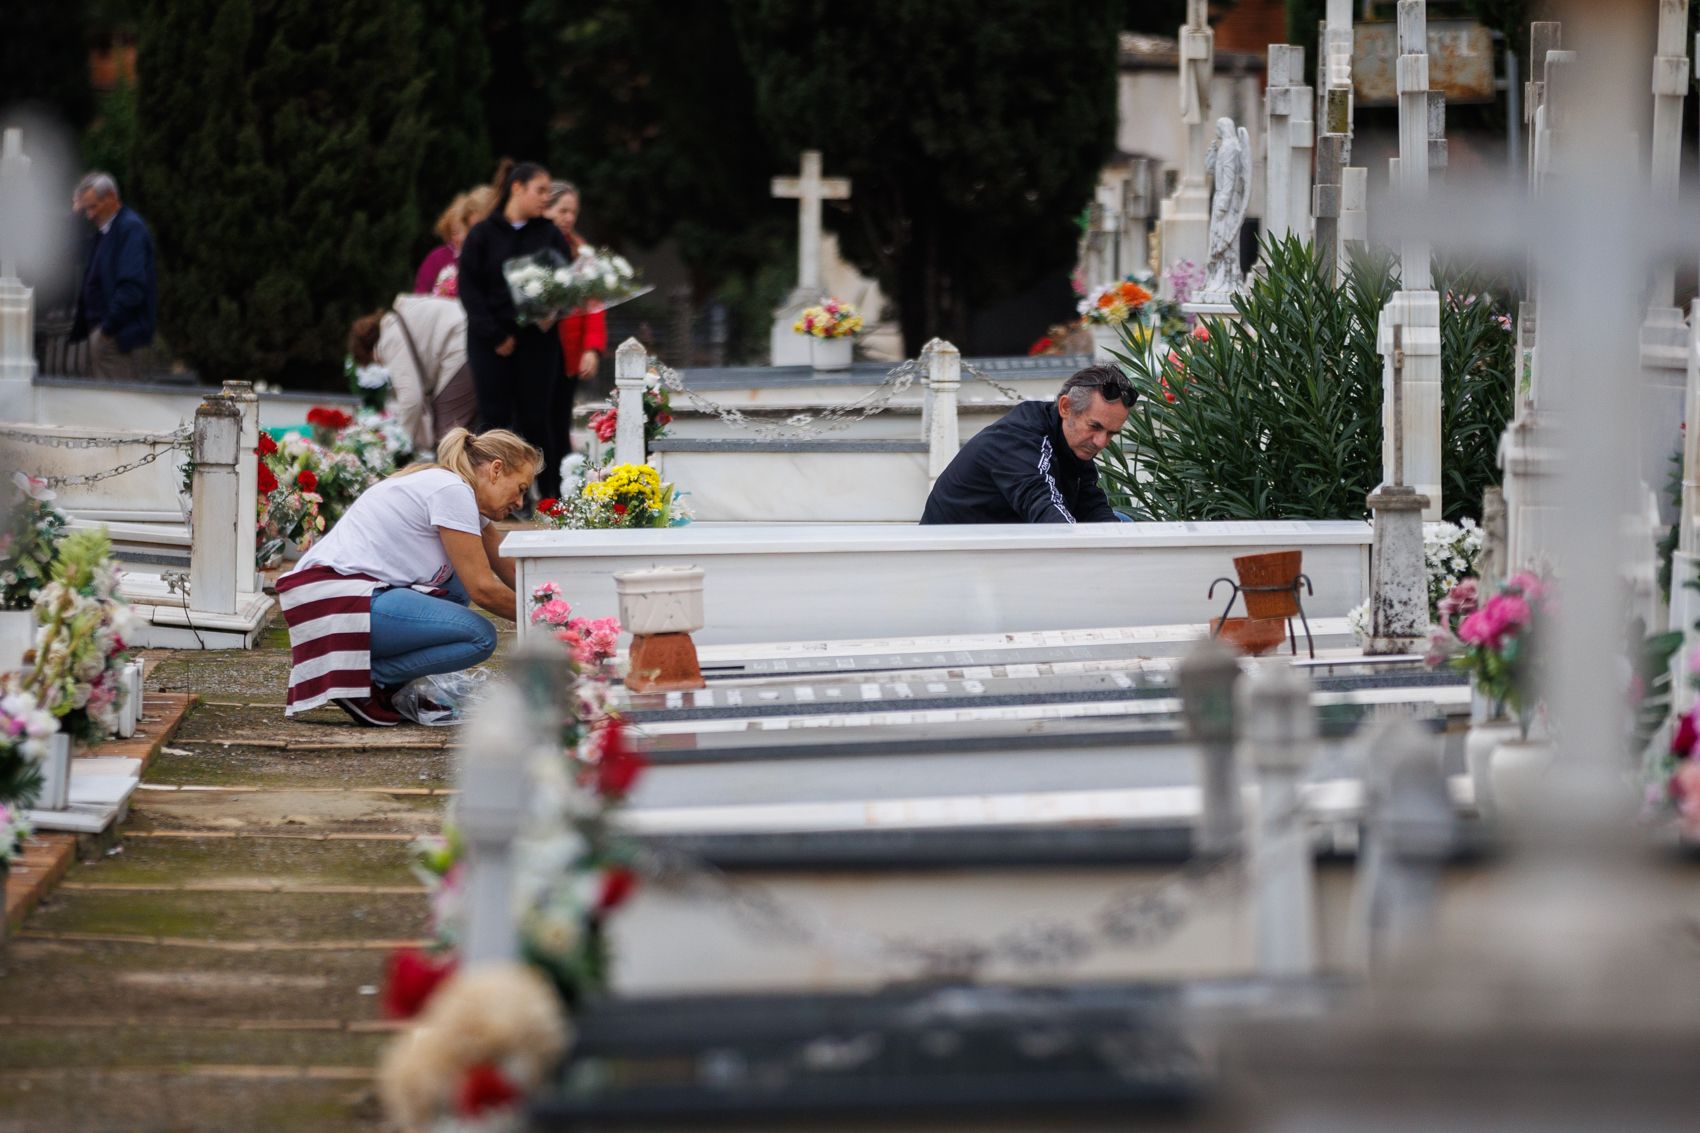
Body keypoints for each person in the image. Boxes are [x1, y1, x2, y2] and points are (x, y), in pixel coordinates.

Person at [274, 428, 541, 727]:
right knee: (479, 637)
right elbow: (484, 588)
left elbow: (510, 567)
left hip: (337, 595)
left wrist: (563, 607)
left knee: (454, 586)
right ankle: (365, 681)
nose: (520, 502)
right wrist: (544, 620)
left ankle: (385, 683)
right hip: (334, 600)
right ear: (495, 470)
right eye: (519, 488)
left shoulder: (455, 489)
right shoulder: (451, 491)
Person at [457, 160, 577, 499]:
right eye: (540, 190)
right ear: (517, 188)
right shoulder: (482, 234)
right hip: (490, 341)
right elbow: (470, 289)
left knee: (537, 419)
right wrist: (495, 335)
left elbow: (565, 283)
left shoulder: (549, 234)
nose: (546, 198)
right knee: (494, 420)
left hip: (537, 341)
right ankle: (489, 496)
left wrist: (553, 309)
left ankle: (549, 497)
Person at [920, 364, 1134, 525]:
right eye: (1095, 426)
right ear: (1065, 407)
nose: (1100, 442)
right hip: (950, 560)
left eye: (1111, 434)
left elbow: (1091, 506)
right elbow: (1048, 513)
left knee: (1121, 523)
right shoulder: (1017, 440)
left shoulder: (1073, 441)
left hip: (997, 548)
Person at [348, 295, 477, 453]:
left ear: (370, 352)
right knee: (458, 435)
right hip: (466, 336)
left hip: (462, 345)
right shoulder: (393, 324)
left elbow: (411, 400)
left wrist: (399, 446)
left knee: (448, 438)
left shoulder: (389, 340)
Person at [69, 171, 158, 381]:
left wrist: (107, 330)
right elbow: (68, 251)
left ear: (110, 197)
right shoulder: (105, 231)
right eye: (86, 209)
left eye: (93, 207)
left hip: (117, 338)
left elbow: (132, 287)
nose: (89, 215)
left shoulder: (129, 229)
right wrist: (75, 214)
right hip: (106, 335)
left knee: (117, 405)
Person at [545, 180, 608, 464]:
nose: (569, 218)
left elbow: (595, 306)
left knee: (559, 417)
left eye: (573, 212)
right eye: (562, 211)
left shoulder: (582, 252)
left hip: (567, 350)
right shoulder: (527, 248)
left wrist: (591, 348)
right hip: (535, 348)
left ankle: (557, 488)